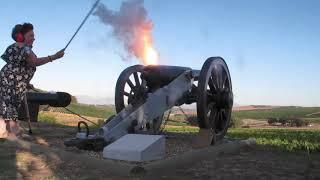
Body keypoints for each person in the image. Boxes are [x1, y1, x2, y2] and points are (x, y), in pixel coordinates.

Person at [0, 23, 65, 138]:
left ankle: (12, 132)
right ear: (20, 36)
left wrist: (25, 82)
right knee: (9, 106)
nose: (34, 38)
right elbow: (34, 62)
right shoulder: (23, 47)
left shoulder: (14, 47)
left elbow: (18, 65)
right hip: (12, 82)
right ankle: (7, 133)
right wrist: (54, 57)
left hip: (11, 80)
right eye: (31, 35)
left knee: (9, 105)